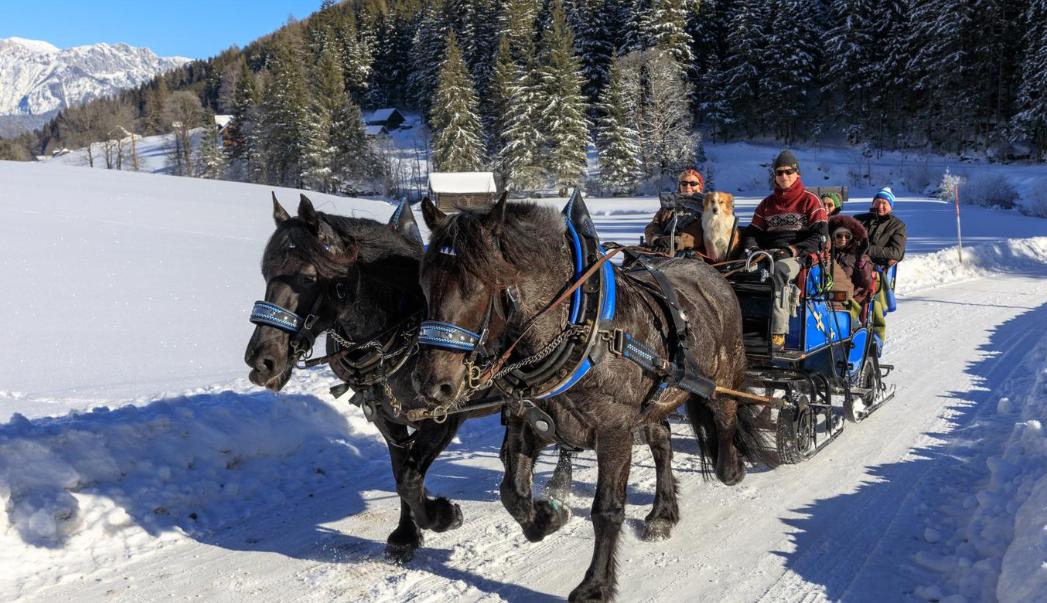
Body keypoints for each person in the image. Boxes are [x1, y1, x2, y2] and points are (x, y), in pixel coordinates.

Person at [742, 150, 828, 351]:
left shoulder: (810, 201)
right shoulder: (766, 204)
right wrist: (754, 250)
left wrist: (792, 250)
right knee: (743, 272)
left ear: (797, 173)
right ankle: (745, 329)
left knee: (779, 270)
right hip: (769, 253)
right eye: (779, 172)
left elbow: (820, 237)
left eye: (788, 172)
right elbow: (752, 233)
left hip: (800, 257)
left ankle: (778, 333)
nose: (784, 176)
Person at [856, 187, 906, 343]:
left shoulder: (897, 226)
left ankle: (875, 339)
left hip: (877, 269)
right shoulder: (859, 219)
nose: (881, 206)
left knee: (871, 298)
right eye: (878, 202)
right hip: (854, 263)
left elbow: (896, 252)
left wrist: (868, 250)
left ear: (891, 206)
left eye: (885, 203)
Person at [826, 214, 875, 325]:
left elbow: (866, 282)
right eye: (839, 236)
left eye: (847, 236)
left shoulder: (858, 255)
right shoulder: (826, 254)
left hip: (849, 297)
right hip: (826, 294)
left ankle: (852, 326)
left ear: (852, 238)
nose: (843, 239)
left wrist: (860, 260)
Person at [643, 167, 704, 253]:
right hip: (662, 246)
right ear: (679, 186)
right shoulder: (670, 204)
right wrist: (656, 238)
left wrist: (676, 241)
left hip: (691, 250)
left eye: (693, 184)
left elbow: (699, 232)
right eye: (684, 183)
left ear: (700, 186)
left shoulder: (706, 205)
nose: (688, 187)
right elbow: (653, 225)